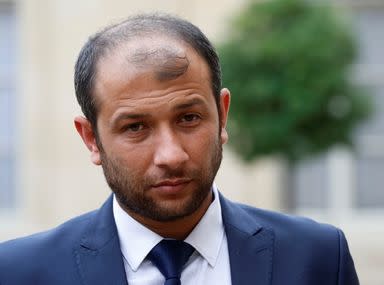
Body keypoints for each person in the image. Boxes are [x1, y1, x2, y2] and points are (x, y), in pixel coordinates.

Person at [0, 13, 359, 285]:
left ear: (222, 115)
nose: (171, 155)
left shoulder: (319, 259)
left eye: (188, 118)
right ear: (91, 138)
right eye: (135, 127)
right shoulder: (18, 272)